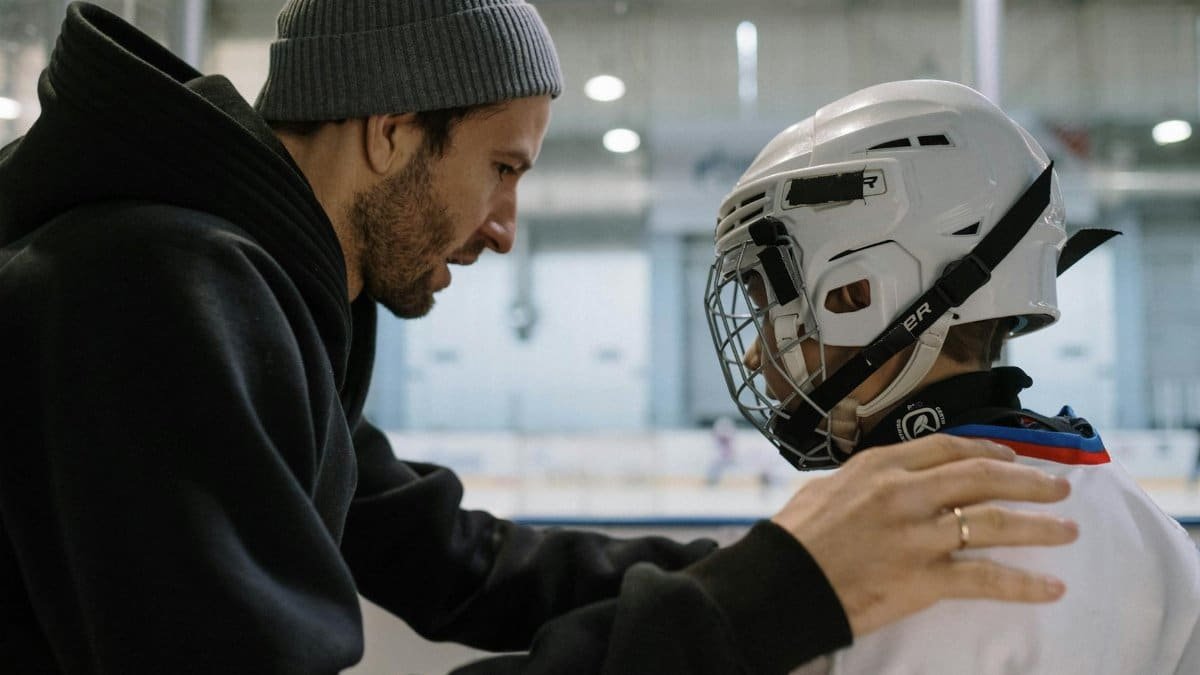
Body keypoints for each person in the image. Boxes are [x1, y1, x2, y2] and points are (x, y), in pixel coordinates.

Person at [0, 3, 1079, 673]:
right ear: (391, 132)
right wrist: (762, 605)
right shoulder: (153, 293)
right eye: (503, 168)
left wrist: (766, 564)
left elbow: (454, 562)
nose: (506, 228)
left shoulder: (251, 293)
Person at [705, 79, 1200, 674]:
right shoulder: (1158, 539)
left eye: (766, 301)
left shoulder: (858, 573)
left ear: (858, 292)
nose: (758, 354)